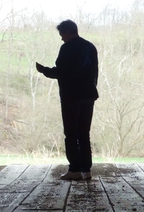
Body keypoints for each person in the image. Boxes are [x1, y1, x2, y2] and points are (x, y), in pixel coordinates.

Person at [36, 20, 99, 181]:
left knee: (71, 133)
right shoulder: (90, 47)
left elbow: (62, 72)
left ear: (68, 31)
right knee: (84, 133)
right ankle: (86, 169)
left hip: (71, 96)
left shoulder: (67, 48)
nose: (61, 38)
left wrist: (44, 70)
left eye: (62, 34)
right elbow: (94, 72)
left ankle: (75, 169)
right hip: (89, 94)